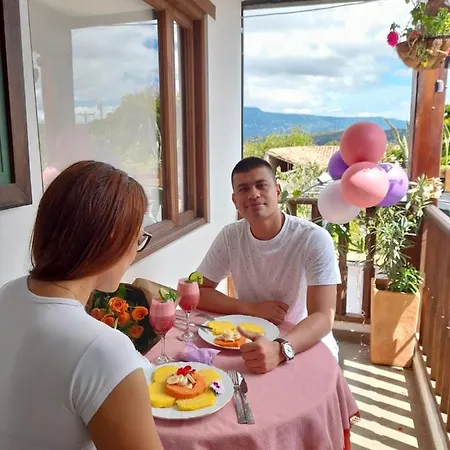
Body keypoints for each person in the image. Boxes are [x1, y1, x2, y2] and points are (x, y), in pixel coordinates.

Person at [0, 161, 163, 450]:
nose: (135, 254)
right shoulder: (103, 349)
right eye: (138, 240)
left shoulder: (8, 294)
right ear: (111, 240)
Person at [197, 157, 341, 374]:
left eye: (261, 185)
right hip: (248, 338)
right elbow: (198, 291)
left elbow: (322, 317)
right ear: (235, 200)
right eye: (244, 189)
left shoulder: (313, 238)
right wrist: (251, 308)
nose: (253, 194)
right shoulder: (230, 236)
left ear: (277, 191)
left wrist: (281, 350)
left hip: (303, 341)